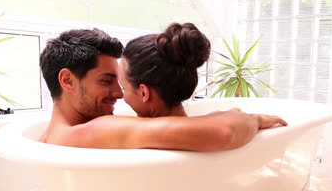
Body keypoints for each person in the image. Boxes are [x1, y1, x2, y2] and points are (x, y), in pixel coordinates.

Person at [39, 28, 286, 151]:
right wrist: (250, 118)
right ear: (68, 81)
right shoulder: (93, 130)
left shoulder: (50, 136)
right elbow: (222, 132)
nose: (118, 93)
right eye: (106, 81)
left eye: (121, 83)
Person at [118, 22, 209, 117]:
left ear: (144, 92)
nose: (119, 94)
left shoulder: (120, 130)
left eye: (123, 87)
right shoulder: (212, 127)